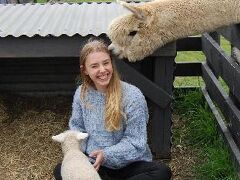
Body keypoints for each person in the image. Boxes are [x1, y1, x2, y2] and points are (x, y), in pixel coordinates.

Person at [53, 38, 172, 180]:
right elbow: (77, 129)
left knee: (162, 172)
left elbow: (136, 141)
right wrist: (81, 158)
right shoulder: (81, 93)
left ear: (111, 63)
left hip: (130, 164)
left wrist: (106, 154)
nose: (102, 70)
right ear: (84, 70)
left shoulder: (132, 96)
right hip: (95, 164)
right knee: (61, 170)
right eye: (94, 66)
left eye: (105, 63)